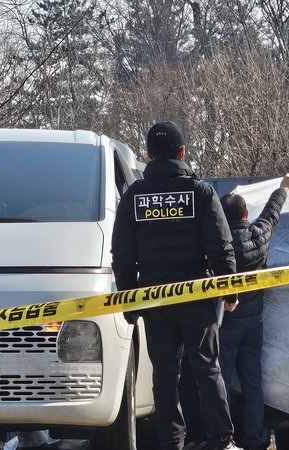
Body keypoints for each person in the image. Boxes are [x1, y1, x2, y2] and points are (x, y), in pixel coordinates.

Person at [111, 121, 242, 450]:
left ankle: (172, 443)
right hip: (197, 298)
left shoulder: (133, 196)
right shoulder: (200, 193)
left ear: (148, 155)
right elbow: (220, 246)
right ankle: (222, 441)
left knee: (165, 374)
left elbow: (122, 253)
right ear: (182, 152)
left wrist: (129, 299)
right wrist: (230, 290)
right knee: (207, 368)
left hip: (155, 301)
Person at [218, 174, 289, 450]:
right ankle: (253, 440)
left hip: (225, 324)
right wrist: (283, 187)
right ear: (246, 213)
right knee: (252, 386)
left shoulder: (219, 246)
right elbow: (272, 213)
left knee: (221, 384)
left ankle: (224, 439)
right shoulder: (259, 235)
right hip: (253, 323)